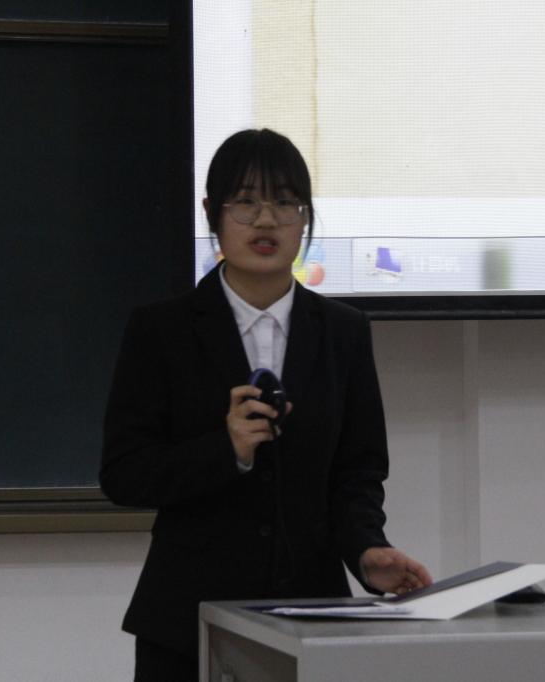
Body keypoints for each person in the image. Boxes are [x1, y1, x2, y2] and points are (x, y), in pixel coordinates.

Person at [100, 128, 433, 681]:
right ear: (212, 213)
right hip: (186, 623)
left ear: (305, 219)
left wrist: (367, 551)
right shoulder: (161, 331)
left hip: (312, 622)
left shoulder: (343, 332)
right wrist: (225, 450)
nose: (266, 220)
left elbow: (358, 473)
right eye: (245, 202)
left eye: (285, 202)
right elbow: (124, 474)